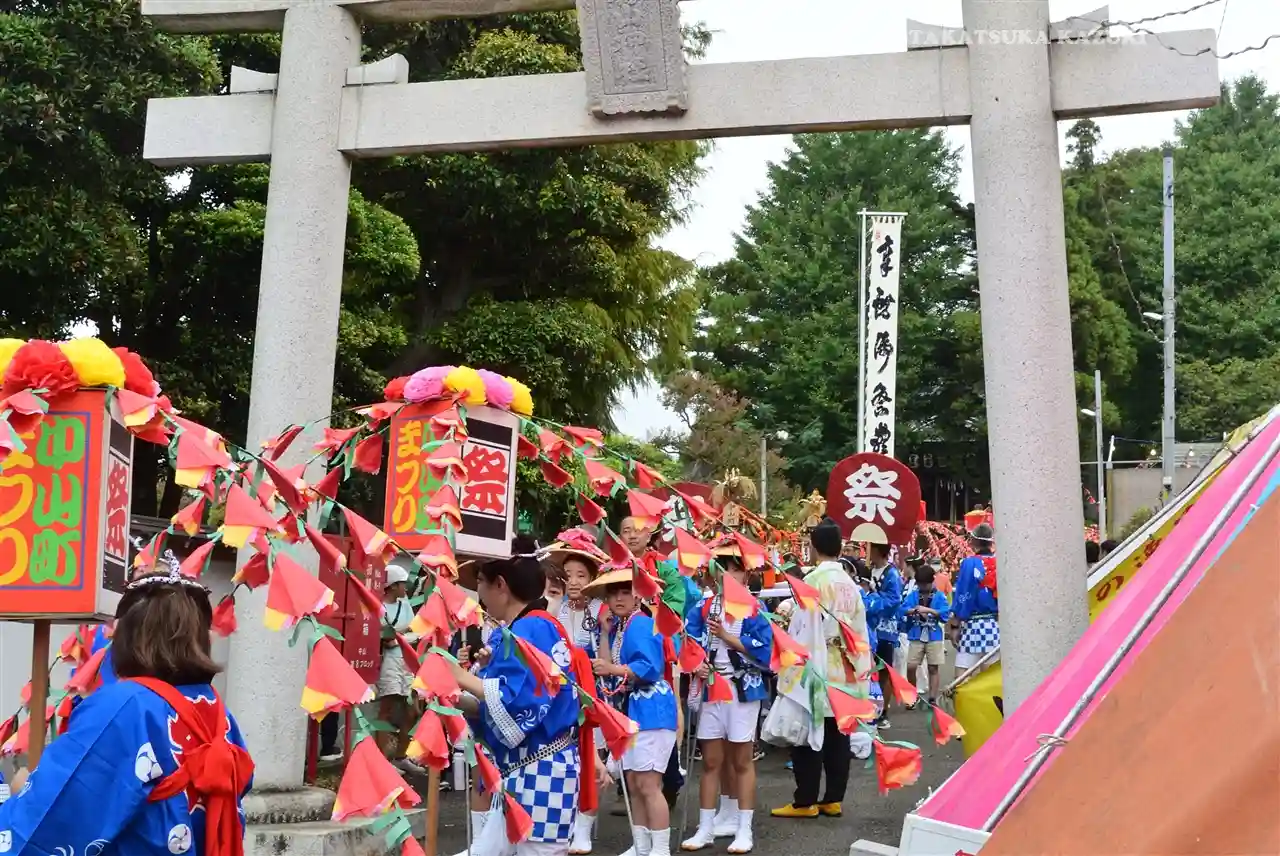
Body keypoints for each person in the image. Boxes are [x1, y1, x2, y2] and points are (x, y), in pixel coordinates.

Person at [0, 569, 254, 854]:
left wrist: (24, 789)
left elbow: (57, 814)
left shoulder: (125, 706)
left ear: (127, 635)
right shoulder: (218, 710)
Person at [450, 536, 582, 856]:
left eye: (480, 582)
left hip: (543, 773)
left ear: (500, 585)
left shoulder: (533, 630)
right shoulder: (518, 631)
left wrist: (462, 678)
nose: (478, 592)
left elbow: (517, 703)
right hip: (522, 773)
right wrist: (451, 696)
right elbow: (494, 704)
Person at [772, 518, 872, 820]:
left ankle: (805, 800)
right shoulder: (850, 583)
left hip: (816, 663)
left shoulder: (813, 580)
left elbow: (802, 623)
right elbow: (860, 628)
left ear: (814, 547)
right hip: (846, 665)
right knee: (838, 735)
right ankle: (833, 799)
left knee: (809, 732)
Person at [681, 544, 772, 854]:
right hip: (711, 687)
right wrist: (696, 663)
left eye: (736, 570)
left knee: (742, 760)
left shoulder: (755, 608)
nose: (730, 576)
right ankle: (705, 827)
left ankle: (744, 828)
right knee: (710, 761)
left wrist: (729, 637)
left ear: (746, 574)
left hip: (742, 690)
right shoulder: (703, 607)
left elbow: (765, 650)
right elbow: (688, 641)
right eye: (724, 570)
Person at [586, 569, 678, 856]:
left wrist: (613, 668)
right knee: (634, 783)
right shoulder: (620, 627)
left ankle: (659, 848)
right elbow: (605, 667)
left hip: (651, 709)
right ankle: (641, 845)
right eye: (613, 593)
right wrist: (604, 633)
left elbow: (649, 667)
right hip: (634, 712)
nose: (618, 598)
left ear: (638, 595)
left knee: (648, 784)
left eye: (625, 591)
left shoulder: (641, 624)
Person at [547, 529, 610, 855]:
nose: (573, 581)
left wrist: (605, 635)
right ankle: (566, 822)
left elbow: (607, 658)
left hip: (591, 692)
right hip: (559, 695)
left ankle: (585, 827)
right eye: (568, 574)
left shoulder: (600, 609)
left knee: (591, 759)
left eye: (581, 575)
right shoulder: (554, 606)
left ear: (592, 578)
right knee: (565, 759)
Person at [377, 562, 422, 770]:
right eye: (403, 583)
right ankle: (381, 761)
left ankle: (401, 756)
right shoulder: (380, 606)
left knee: (412, 710)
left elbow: (414, 630)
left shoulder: (405, 605)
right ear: (393, 585)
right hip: (390, 661)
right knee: (387, 709)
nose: (406, 587)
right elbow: (385, 638)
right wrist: (401, 637)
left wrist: (401, 636)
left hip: (408, 659)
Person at [860, 542, 903, 729]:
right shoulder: (868, 570)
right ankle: (868, 708)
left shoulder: (892, 574)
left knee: (884, 670)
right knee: (868, 669)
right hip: (869, 627)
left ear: (878, 551)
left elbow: (894, 600)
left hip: (885, 628)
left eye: (871, 549)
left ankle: (883, 711)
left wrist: (873, 602)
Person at [949, 522, 999, 672]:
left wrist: (955, 624)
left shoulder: (969, 563)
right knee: (990, 678)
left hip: (971, 626)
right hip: (995, 626)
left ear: (974, 541)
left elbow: (963, 593)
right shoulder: (999, 562)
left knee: (961, 676)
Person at [900, 565, 951, 708]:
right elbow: (903, 608)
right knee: (911, 666)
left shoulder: (939, 596)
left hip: (934, 634)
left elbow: (945, 613)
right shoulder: (914, 595)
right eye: (920, 584)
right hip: (916, 634)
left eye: (925, 584)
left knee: (933, 667)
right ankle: (913, 695)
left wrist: (929, 610)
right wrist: (914, 610)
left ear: (931, 581)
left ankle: (933, 698)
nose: (922, 587)